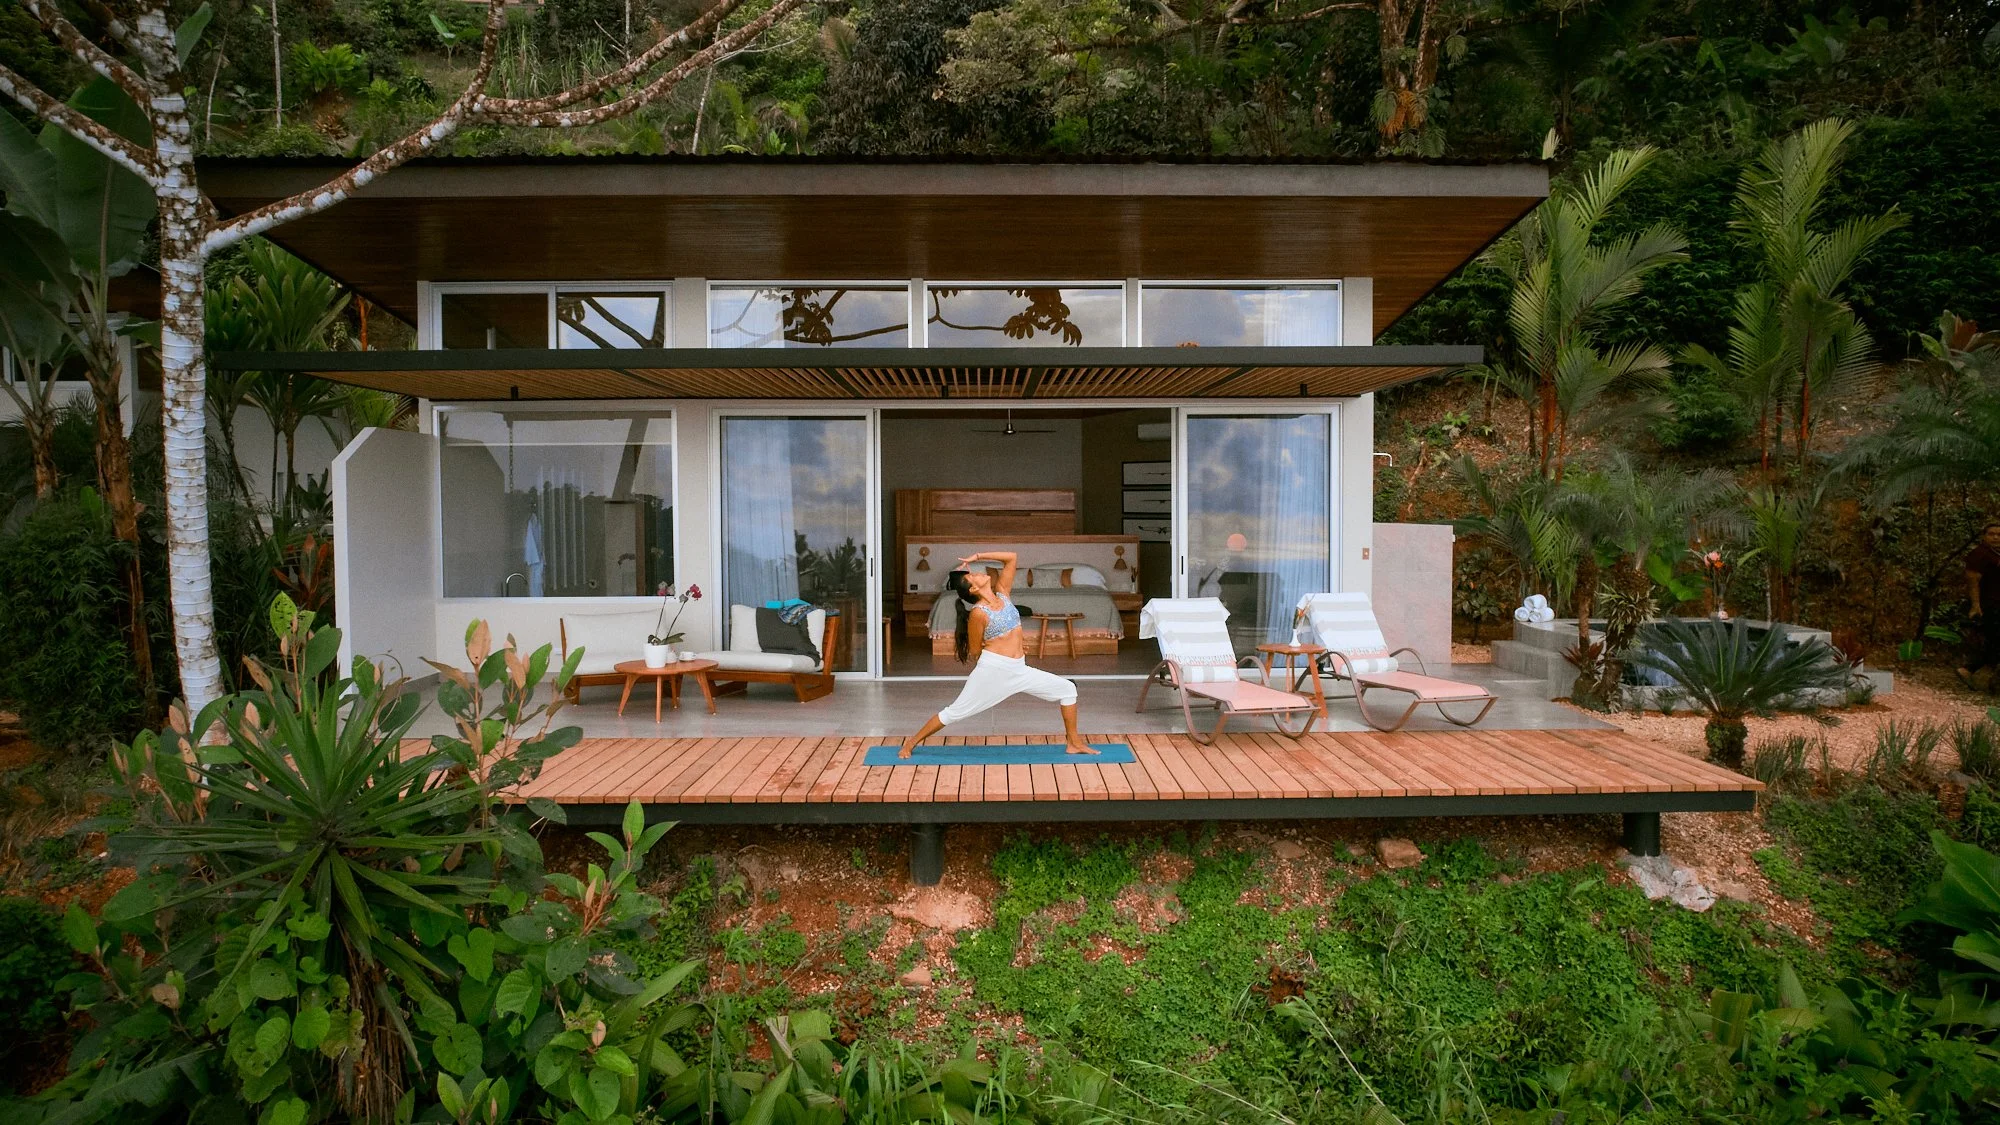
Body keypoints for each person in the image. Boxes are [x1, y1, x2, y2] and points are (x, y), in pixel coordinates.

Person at [897, 551, 1098, 758]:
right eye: (972, 576)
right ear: (974, 589)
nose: (977, 573)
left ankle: (1074, 743)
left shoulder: (1003, 593)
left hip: (1019, 668)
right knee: (954, 712)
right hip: (994, 670)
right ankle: (910, 743)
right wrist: (1001, 651)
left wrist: (977, 556)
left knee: (1067, 689)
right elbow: (975, 650)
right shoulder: (978, 613)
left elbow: (1011, 558)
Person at [1962, 523, 2000, 692]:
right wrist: (1975, 605)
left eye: (1999, 534)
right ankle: (1969, 669)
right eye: (1991, 534)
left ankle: (1975, 672)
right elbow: (1973, 581)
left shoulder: (1995, 554)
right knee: (1995, 641)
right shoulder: (1979, 554)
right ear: (1984, 536)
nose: (1995, 537)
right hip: (1988, 605)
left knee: (1994, 642)